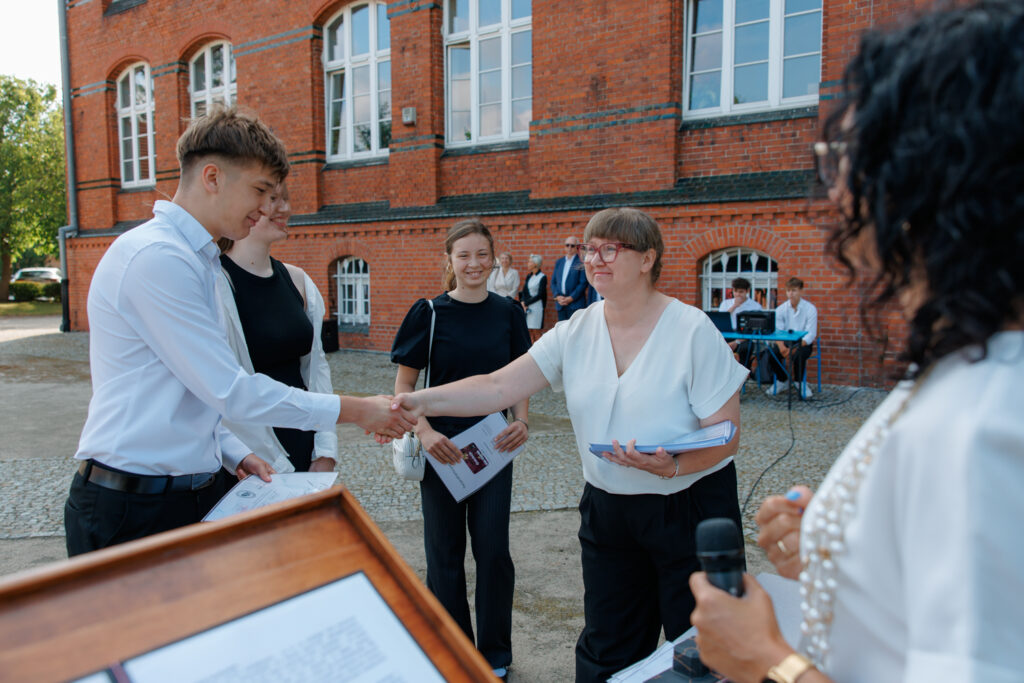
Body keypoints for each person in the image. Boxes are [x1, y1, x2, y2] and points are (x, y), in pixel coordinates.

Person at [689, 3, 1024, 681]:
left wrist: (766, 660)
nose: (837, 189)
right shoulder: (975, 361)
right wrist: (840, 552)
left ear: (931, 179)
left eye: (852, 155)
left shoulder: (983, 421)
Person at [393, 207, 749, 682]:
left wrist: (673, 466)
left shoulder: (692, 329)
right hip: (608, 510)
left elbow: (726, 434)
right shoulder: (575, 330)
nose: (594, 260)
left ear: (647, 259)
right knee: (608, 649)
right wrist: (413, 402)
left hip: (689, 508)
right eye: (589, 250)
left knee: (703, 652)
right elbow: (498, 387)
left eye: (610, 250)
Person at [64, 107, 414, 557]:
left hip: (187, 495)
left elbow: (190, 393)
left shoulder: (199, 259)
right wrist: (357, 410)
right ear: (212, 177)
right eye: (260, 190)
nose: (267, 207)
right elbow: (230, 390)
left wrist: (232, 450)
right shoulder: (158, 257)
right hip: (133, 507)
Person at [391, 218, 531, 681]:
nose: (474, 263)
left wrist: (521, 421)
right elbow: (405, 387)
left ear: (493, 258)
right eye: (464, 255)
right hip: (442, 450)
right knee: (444, 555)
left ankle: (494, 654)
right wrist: (425, 432)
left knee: (493, 553)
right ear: (450, 260)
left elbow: (520, 377)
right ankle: (451, 647)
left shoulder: (509, 313)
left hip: (492, 447)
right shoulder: (429, 313)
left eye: (482, 254)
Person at [216, 182, 337, 474]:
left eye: (286, 199)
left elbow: (316, 370)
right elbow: (219, 388)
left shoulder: (299, 280)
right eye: (273, 199)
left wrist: (325, 449)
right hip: (247, 456)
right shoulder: (214, 283)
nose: (285, 208)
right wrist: (268, 462)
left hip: (303, 438)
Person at [758, 277, 818, 398]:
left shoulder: (810, 309)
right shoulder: (781, 309)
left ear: (801, 291)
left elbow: (811, 334)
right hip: (785, 342)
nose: (791, 294)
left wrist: (794, 348)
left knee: (799, 355)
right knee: (771, 354)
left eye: (794, 290)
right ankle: (782, 380)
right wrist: (781, 347)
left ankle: (800, 383)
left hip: (802, 342)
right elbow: (777, 331)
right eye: (788, 290)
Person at [719, 277, 762, 367]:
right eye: (736, 291)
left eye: (741, 292)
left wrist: (737, 342)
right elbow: (721, 320)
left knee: (745, 349)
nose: (738, 294)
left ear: (747, 291)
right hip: (728, 335)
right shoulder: (725, 304)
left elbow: (755, 329)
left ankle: (742, 372)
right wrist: (734, 306)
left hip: (745, 338)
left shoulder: (755, 306)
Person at [551, 235, 587, 320]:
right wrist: (557, 296)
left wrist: (571, 298)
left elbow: (583, 283)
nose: (569, 248)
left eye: (572, 245)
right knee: (562, 327)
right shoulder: (559, 262)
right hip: (561, 304)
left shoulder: (581, 262)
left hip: (576, 304)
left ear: (577, 248)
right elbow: (553, 282)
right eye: (567, 245)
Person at [519, 253, 547, 342]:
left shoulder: (542, 277)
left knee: (536, 331)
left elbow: (540, 295)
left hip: (536, 307)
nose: (528, 263)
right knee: (529, 331)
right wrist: (522, 302)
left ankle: (540, 349)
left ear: (535, 264)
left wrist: (526, 303)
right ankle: (531, 349)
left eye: (530, 262)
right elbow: (524, 291)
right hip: (527, 307)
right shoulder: (529, 276)